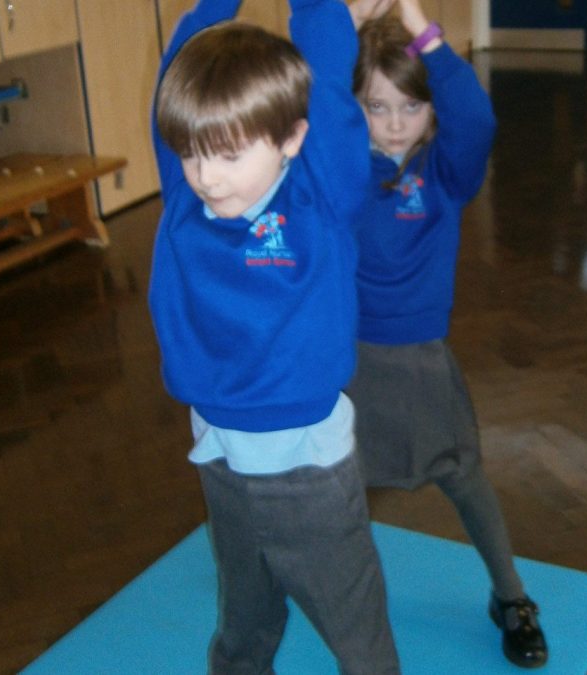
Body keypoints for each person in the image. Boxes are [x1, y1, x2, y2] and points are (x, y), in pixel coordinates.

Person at [148, 1, 400, 672]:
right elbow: (176, 72)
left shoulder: (320, 197)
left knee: (359, 637)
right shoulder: (184, 199)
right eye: (192, 153)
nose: (207, 175)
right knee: (245, 620)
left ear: (291, 139)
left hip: (308, 475)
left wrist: (319, 8)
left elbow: (326, 77)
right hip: (221, 461)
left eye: (229, 155)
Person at [346, 0, 549, 668]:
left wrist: (417, 25)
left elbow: (478, 118)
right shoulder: (340, 168)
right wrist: (345, 32)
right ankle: (340, 599)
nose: (394, 123)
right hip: (348, 361)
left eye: (411, 107)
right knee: (339, 488)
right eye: (377, 107)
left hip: (422, 359)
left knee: (464, 476)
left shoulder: (444, 172)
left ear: (431, 111)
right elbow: (313, 102)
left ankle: (511, 595)